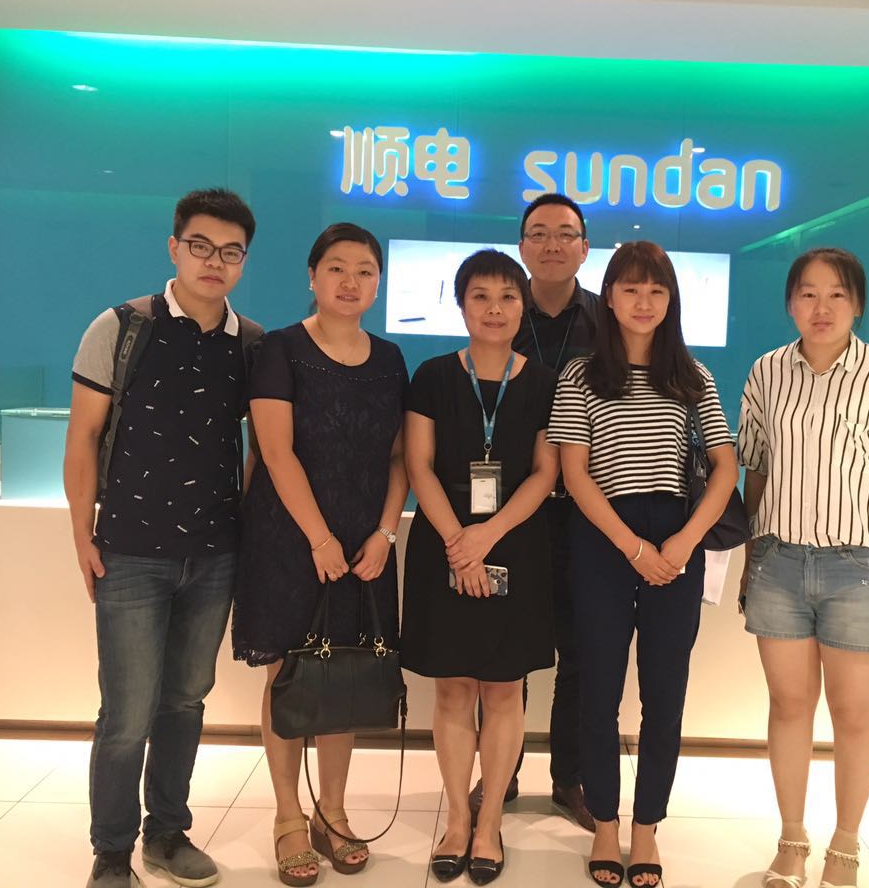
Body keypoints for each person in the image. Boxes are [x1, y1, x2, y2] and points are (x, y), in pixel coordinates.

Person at [64, 187, 262, 888]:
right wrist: (82, 534)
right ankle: (111, 851)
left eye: (231, 252)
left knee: (184, 701)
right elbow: (83, 438)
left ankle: (168, 834)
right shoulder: (122, 328)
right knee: (126, 712)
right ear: (175, 247)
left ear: (244, 261)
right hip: (129, 551)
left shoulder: (251, 344)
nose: (215, 262)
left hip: (214, 555)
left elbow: (262, 448)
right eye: (201, 246)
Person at [736, 247, 869, 888]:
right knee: (788, 706)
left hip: (860, 569)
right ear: (790, 303)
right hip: (778, 563)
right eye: (808, 294)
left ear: (858, 304)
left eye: (837, 295)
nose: (821, 308)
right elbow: (755, 468)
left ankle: (845, 846)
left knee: (854, 713)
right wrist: (749, 555)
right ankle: (791, 839)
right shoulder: (767, 372)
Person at [549, 241, 737, 888]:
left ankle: (647, 826)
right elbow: (574, 474)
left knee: (665, 692)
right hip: (603, 536)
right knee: (598, 689)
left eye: (656, 290)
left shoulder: (692, 375)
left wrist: (684, 543)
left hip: (677, 535)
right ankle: (605, 822)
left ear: (671, 299)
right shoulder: (580, 375)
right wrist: (632, 547)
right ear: (608, 297)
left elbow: (725, 468)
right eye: (630, 289)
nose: (643, 301)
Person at [232, 222, 409, 886]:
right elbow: (275, 452)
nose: (350, 281)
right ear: (312, 276)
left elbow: (399, 458)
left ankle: (331, 811)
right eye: (336, 267)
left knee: (346, 672)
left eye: (364, 270)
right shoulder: (280, 349)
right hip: (289, 539)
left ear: (378, 283)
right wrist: (318, 538)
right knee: (286, 673)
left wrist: (384, 534)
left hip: (363, 547)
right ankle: (287, 816)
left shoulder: (390, 358)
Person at [401, 249, 560, 886]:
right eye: (480, 297)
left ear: (523, 307)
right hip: (443, 542)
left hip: (517, 543)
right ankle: (457, 820)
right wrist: (457, 542)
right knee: (452, 688)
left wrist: (486, 536)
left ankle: (489, 820)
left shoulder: (544, 382)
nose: (495, 309)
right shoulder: (433, 375)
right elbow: (418, 465)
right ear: (461, 305)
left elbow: (546, 472)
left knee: (503, 688)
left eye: (508, 297)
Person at [469, 192, 600, 832]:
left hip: (585, 512)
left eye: (565, 234)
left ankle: (570, 775)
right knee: (503, 648)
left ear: (584, 247)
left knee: (582, 648)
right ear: (522, 246)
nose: (552, 244)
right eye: (539, 233)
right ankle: (502, 773)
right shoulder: (498, 312)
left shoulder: (607, 321)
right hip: (508, 511)